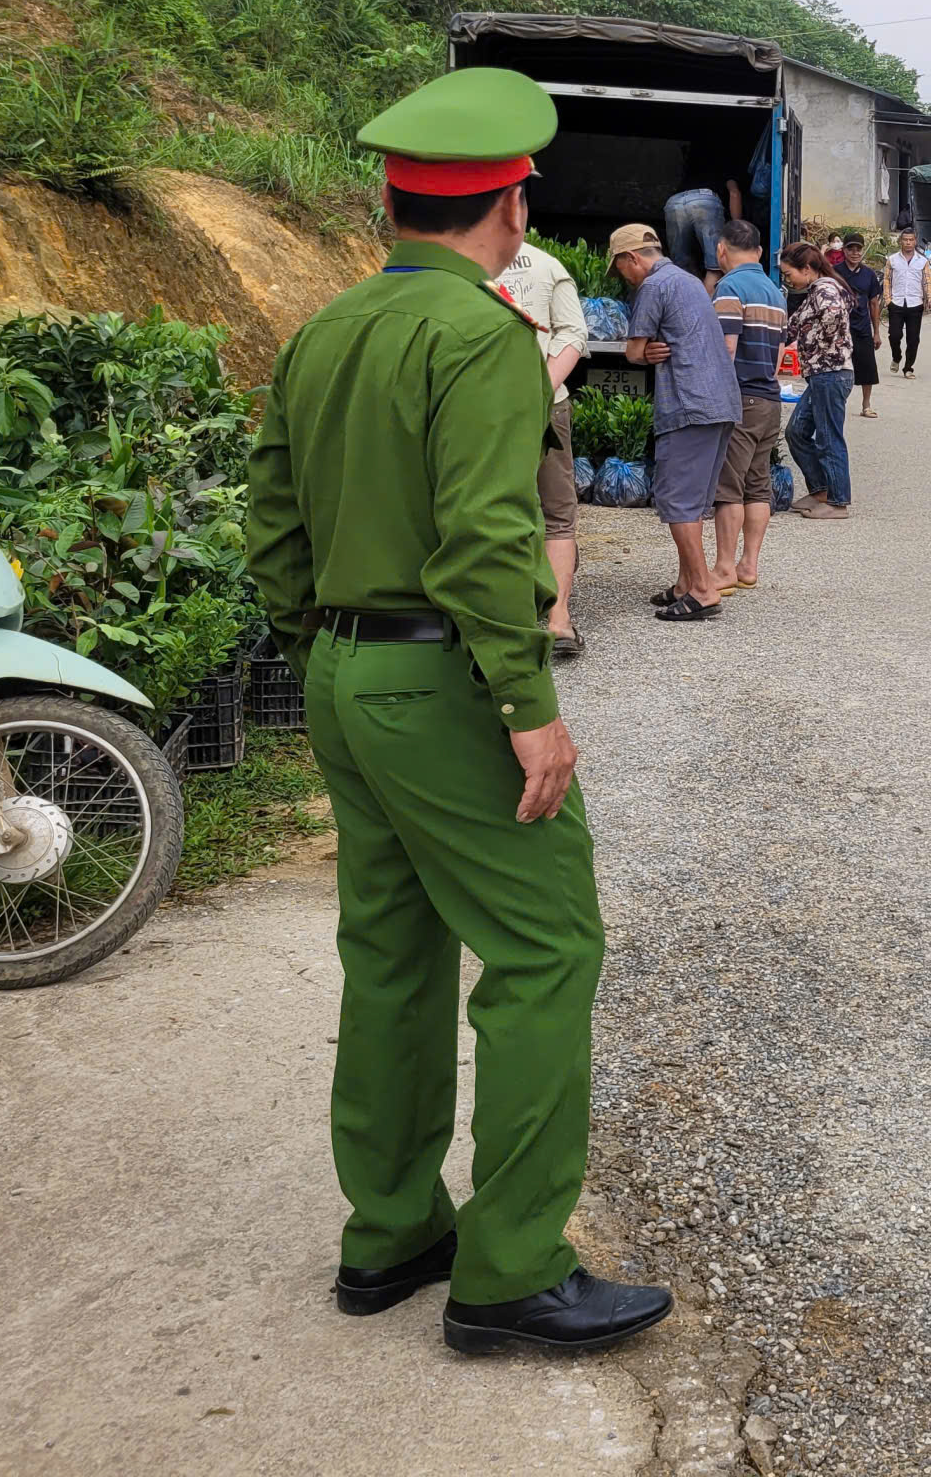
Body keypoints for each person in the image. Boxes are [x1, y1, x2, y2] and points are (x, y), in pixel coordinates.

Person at [245, 66, 668, 1356]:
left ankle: (390, 1234)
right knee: (545, 951)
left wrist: (326, 648)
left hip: (342, 673)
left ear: (390, 199)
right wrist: (526, 703)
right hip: (442, 684)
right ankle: (511, 1271)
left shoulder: (321, 331)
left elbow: (273, 521)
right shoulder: (482, 337)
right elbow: (490, 541)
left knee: (392, 951)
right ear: (515, 202)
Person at [615, 223, 742, 624]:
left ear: (632, 258)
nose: (624, 277)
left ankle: (702, 590)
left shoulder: (654, 286)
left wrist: (642, 351)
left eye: (621, 268)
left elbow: (635, 351)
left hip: (688, 404)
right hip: (720, 402)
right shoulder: (689, 281)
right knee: (694, 500)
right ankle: (687, 583)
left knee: (677, 502)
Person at [494, 232, 587, 659]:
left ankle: (498, 619)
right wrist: (543, 389)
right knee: (557, 514)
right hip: (549, 405)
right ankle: (558, 622)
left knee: (486, 508)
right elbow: (574, 334)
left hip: (479, 408)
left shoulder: (457, 266)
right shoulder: (547, 264)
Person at [709, 219, 786, 595]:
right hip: (769, 400)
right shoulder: (775, 291)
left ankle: (723, 567)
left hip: (740, 398)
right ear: (757, 251)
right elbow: (778, 358)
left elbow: (727, 348)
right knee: (758, 486)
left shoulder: (729, 287)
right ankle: (748, 566)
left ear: (722, 250)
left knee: (728, 487)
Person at [779, 241, 855, 519]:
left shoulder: (824, 289)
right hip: (821, 375)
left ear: (807, 268)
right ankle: (820, 489)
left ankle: (837, 502)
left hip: (831, 373)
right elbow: (793, 327)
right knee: (796, 432)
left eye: (789, 274)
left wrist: (824, 341)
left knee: (828, 437)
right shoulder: (816, 290)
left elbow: (833, 314)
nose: (788, 280)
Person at [837, 229, 885, 419]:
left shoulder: (869, 275)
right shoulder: (835, 272)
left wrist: (876, 332)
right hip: (840, 329)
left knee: (867, 367)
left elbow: (874, 303)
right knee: (839, 367)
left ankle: (866, 404)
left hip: (863, 328)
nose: (855, 253)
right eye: (851, 249)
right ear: (844, 251)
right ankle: (838, 402)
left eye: (858, 249)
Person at [884, 227, 931, 376]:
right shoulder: (892, 260)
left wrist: (930, 299)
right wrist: (887, 300)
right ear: (900, 241)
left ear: (915, 241)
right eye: (905, 240)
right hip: (896, 303)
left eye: (911, 240)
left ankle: (908, 368)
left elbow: (927, 281)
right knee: (894, 335)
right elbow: (887, 280)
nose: (908, 243)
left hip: (915, 303)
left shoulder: (922, 261)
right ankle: (896, 357)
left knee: (913, 339)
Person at [661, 184, 728, 280]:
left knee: (682, 267)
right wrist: (737, 224)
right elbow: (734, 193)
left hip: (674, 201)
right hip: (705, 199)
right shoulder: (725, 173)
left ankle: (690, 292)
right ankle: (706, 294)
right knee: (715, 267)